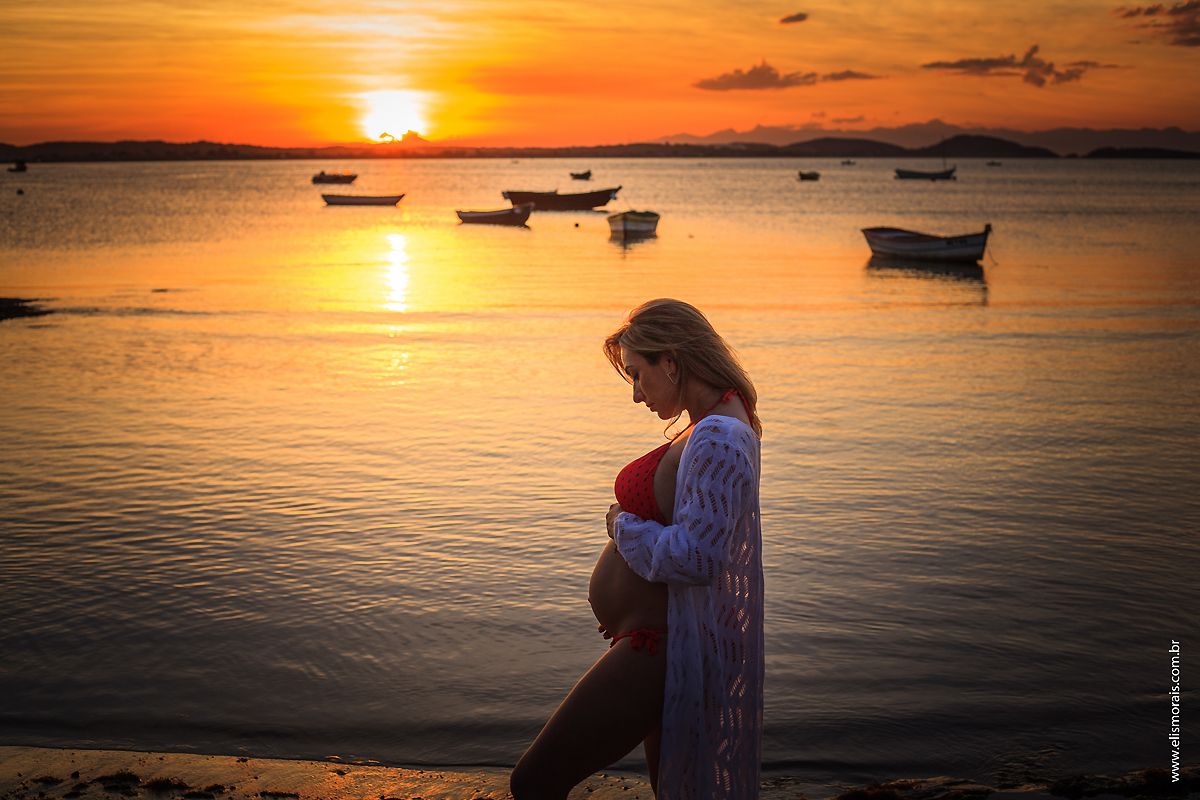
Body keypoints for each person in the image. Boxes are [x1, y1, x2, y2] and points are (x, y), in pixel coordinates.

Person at [511, 298, 764, 800]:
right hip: (653, 640)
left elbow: (698, 558)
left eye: (637, 374)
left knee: (533, 782)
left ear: (671, 361)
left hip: (662, 647)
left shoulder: (718, 436)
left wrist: (620, 526)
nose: (635, 394)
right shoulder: (713, 423)